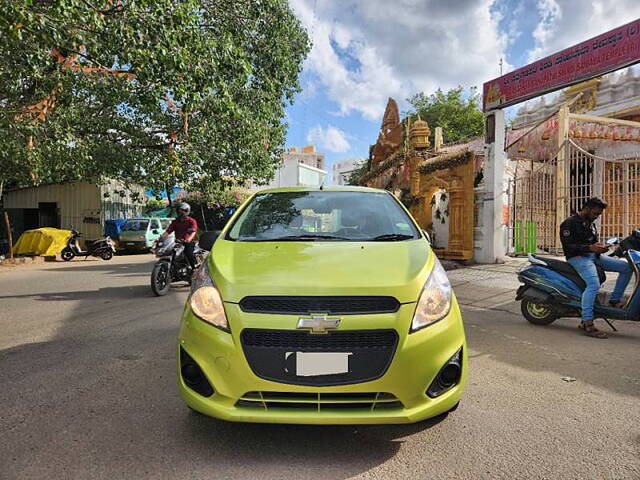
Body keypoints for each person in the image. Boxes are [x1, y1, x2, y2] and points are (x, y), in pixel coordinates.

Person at [560, 197, 632, 339]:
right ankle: (587, 322)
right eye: (595, 213)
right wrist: (589, 248)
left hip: (593, 255)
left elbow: (593, 243)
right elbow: (568, 247)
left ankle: (614, 300)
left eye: (599, 214)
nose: (597, 216)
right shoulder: (568, 224)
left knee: (626, 268)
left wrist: (601, 247)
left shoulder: (590, 223)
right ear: (587, 209)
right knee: (593, 284)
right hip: (577, 258)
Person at [159, 202, 198, 270]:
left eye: (181, 211)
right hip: (178, 242)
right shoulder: (175, 222)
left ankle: (194, 268)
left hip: (189, 242)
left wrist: (188, 239)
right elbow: (168, 231)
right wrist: (161, 237)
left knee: (189, 253)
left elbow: (193, 232)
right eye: (178, 211)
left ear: (186, 211)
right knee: (170, 252)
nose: (179, 213)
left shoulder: (191, 221)